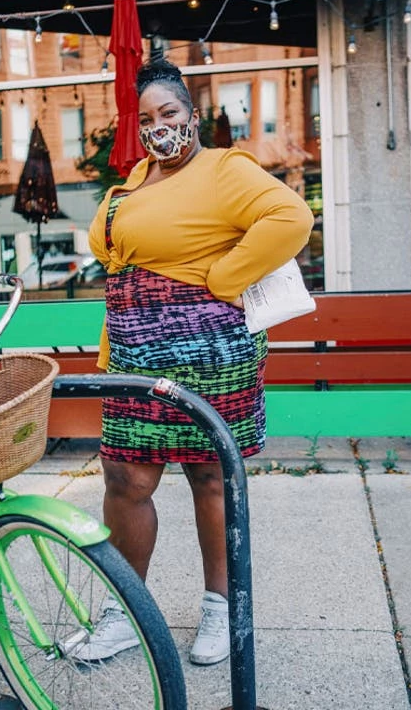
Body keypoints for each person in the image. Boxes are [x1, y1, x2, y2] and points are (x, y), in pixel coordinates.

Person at [70, 59, 313, 667]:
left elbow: (292, 218)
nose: (159, 127)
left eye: (170, 113)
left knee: (209, 475)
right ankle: (127, 612)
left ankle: (220, 607)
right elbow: (108, 247)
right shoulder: (134, 179)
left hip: (209, 350)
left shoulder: (225, 169)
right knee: (125, 478)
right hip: (135, 351)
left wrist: (226, 277)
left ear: (193, 115)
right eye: (147, 119)